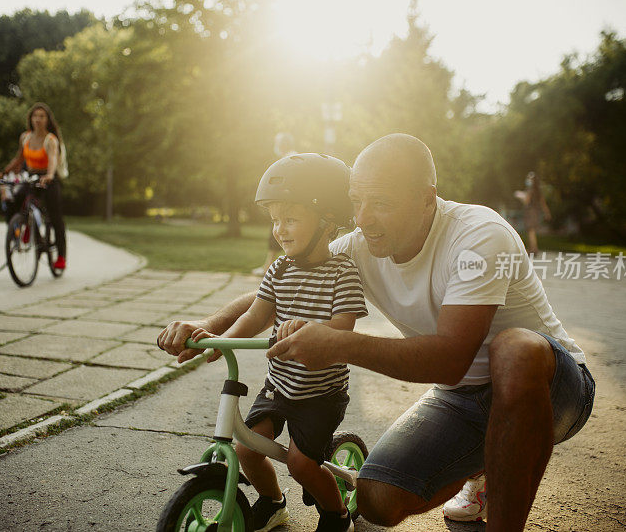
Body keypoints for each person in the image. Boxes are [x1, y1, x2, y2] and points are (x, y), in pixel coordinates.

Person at [158, 134, 595, 532]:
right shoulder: (363, 244)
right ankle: (486, 466)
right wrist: (209, 326)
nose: (363, 219)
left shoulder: (478, 235)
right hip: (461, 397)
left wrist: (338, 343)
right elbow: (278, 289)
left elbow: (450, 358)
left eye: (380, 202)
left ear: (427, 200)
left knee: (514, 350)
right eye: (355, 201)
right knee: (375, 500)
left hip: (553, 388)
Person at [162, 153, 367, 532]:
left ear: (327, 223)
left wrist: (308, 328)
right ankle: (274, 502)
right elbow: (256, 315)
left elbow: (343, 330)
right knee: (247, 449)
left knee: (301, 464)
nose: (279, 229)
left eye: (290, 219)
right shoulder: (279, 269)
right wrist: (219, 340)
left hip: (320, 393)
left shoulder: (343, 273)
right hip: (280, 386)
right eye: (275, 220)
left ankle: (336, 514)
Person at [0, 102, 67, 270]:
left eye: (42, 116)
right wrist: (3, 173)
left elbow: (53, 158)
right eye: (35, 116)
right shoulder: (25, 137)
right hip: (31, 177)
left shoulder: (51, 140)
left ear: (47, 120)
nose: (38, 120)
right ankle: (22, 227)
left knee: (56, 218)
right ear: (31, 119)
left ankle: (61, 257)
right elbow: (19, 159)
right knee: (16, 201)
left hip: (48, 179)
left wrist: (49, 175)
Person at [251, 133, 298, 276]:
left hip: (287, 203)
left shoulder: (289, 158)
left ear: (282, 144)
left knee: (282, 232)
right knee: (278, 233)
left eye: (277, 143)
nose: (276, 146)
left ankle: (271, 268)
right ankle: (269, 267)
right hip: (285, 202)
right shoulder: (290, 157)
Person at [515, 171, 552, 254]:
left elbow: (526, 201)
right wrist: (547, 213)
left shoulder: (530, 190)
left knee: (530, 230)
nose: (528, 179)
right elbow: (543, 203)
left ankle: (533, 249)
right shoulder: (538, 191)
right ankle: (533, 248)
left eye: (529, 178)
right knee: (532, 230)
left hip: (529, 211)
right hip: (536, 212)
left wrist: (520, 195)